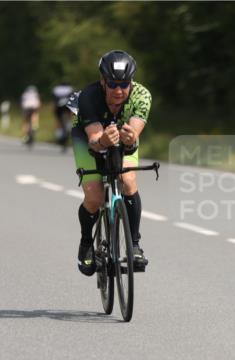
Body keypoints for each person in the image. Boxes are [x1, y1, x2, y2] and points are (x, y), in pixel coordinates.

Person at [71, 50, 152, 275]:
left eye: (124, 84)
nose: (118, 90)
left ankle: (134, 245)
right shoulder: (88, 97)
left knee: (127, 180)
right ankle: (86, 243)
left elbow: (134, 131)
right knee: (95, 196)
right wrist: (103, 140)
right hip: (88, 136)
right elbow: (95, 140)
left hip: (122, 138)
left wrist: (129, 137)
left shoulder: (142, 96)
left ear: (131, 83)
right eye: (113, 84)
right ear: (102, 81)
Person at [52, 80, 74, 151]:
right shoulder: (70, 88)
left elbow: (54, 99)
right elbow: (72, 98)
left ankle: (58, 134)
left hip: (58, 107)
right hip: (67, 106)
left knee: (58, 120)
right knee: (69, 118)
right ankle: (68, 127)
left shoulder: (56, 89)